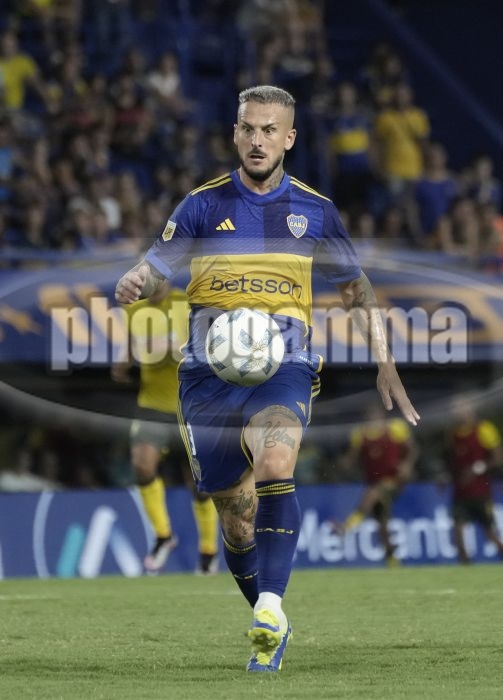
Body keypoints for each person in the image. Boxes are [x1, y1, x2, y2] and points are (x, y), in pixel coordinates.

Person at [115, 85, 420, 673]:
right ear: (236, 134)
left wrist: (385, 360)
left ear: (289, 138)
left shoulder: (315, 211)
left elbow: (355, 289)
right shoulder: (201, 205)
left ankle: (271, 608)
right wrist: (137, 280)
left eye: (269, 130)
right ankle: (268, 612)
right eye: (248, 129)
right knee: (236, 517)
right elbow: (156, 269)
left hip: (284, 361)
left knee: (277, 459)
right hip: (206, 374)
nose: (258, 140)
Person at [112, 280, 219, 574]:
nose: (144, 282)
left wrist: (166, 347)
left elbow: (206, 350)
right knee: (142, 464)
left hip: (191, 406)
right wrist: (123, 363)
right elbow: (132, 347)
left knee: (199, 482)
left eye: (150, 276)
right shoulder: (133, 309)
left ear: (165, 277)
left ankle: (208, 551)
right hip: (152, 404)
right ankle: (163, 536)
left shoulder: (188, 305)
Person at [332, 402, 417, 565]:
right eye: (370, 417)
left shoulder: (395, 428)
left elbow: (413, 449)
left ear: (382, 416)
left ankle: (346, 527)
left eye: (376, 416)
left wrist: (407, 465)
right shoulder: (360, 434)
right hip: (373, 482)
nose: (373, 420)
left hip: (394, 480)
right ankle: (393, 562)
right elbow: (353, 456)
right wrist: (345, 463)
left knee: (371, 495)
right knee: (382, 525)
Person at [442, 396, 503, 564]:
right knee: (458, 532)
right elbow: (452, 461)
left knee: (490, 534)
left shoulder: (484, 429)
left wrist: (478, 468)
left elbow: (498, 457)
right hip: (460, 491)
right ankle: (466, 568)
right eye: (454, 408)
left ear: (471, 409)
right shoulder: (452, 434)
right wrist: (446, 476)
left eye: (461, 407)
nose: (457, 412)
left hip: (480, 491)